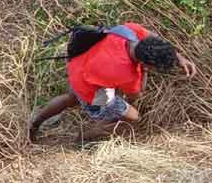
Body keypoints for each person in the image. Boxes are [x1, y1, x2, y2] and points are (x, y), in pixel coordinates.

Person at [28, 23, 198, 143]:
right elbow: (137, 94)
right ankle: (86, 136)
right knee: (132, 117)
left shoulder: (130, 32)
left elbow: (152, 36)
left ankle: (35, 123)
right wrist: (144, 71)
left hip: (78, 66)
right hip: (91, 91)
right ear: (146, 64)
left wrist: (179, 57)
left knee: (70, 98)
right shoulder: (127, 74)